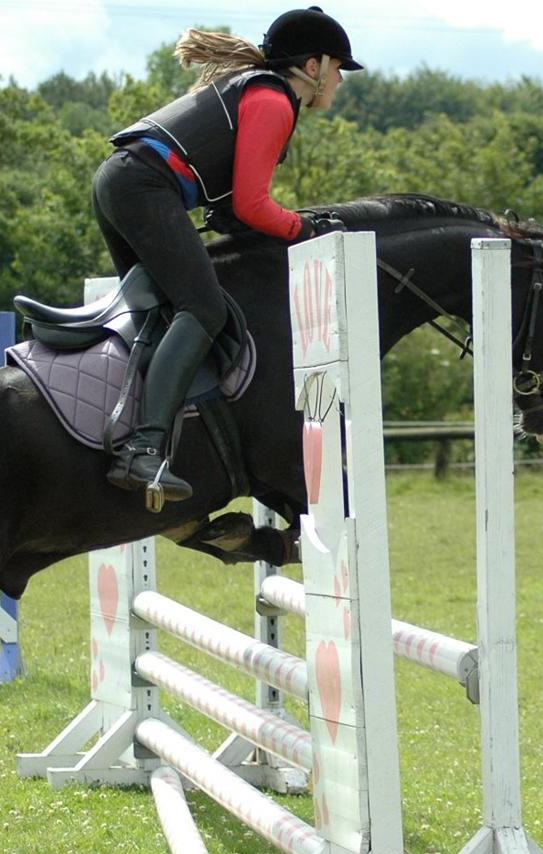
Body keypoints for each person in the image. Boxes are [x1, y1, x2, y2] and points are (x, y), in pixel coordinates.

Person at [94, 6, 363, 510]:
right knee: (203, 309)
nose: (340, 81)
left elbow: (233, 207)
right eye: (338, 68)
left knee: (163, 313)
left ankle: (142, 436)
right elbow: (253, 206)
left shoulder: (257, 92)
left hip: (121, 181)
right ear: (313, 67)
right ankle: (142, 449)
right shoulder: (273, 101)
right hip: (144, 186)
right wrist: (306, 227)